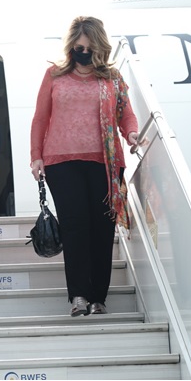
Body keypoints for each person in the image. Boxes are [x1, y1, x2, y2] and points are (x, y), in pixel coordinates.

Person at [30, 16, 139, 317]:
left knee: (102, 229)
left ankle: (98, 297)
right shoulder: (54, 74)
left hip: (104, 162)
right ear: (71, 47)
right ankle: (78, 295)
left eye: (90, 48)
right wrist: (36, 155)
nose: (85, 53)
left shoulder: (112, 78)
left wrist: (131, 133)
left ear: (100, 47)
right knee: (74, 225)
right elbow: (40, 118)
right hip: (61, 162)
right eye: (79, 48)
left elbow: (126, 114)